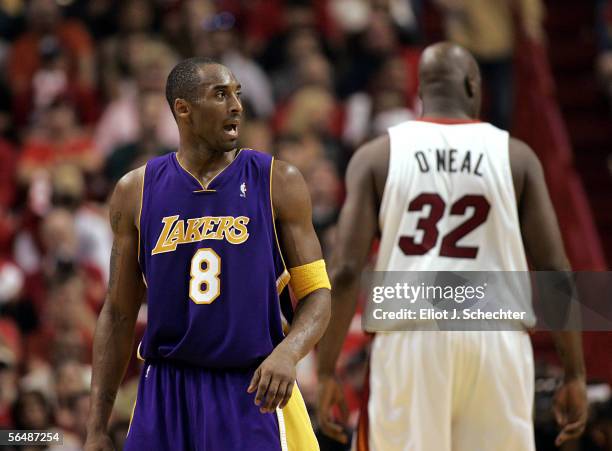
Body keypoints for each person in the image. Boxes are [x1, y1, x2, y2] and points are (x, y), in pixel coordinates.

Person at [316, 42, 587, 451]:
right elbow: (556, 270)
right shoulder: (517, 157)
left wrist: (325, 370)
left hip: (411, 335)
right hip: (497, 337)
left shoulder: (376, 156)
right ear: (473, 86)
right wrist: (576, 373)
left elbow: (345, 271)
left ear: (421, 91)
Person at [85, 57, 331, 451]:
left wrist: (289, 352)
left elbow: (318, 294)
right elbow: (117, 313)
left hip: (251, 387)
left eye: (238, 94)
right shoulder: (136, 191)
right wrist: (97, 428)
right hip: (165, 390)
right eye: (220, 95)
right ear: (183, 109)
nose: (236, 106)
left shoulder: (277, 182)